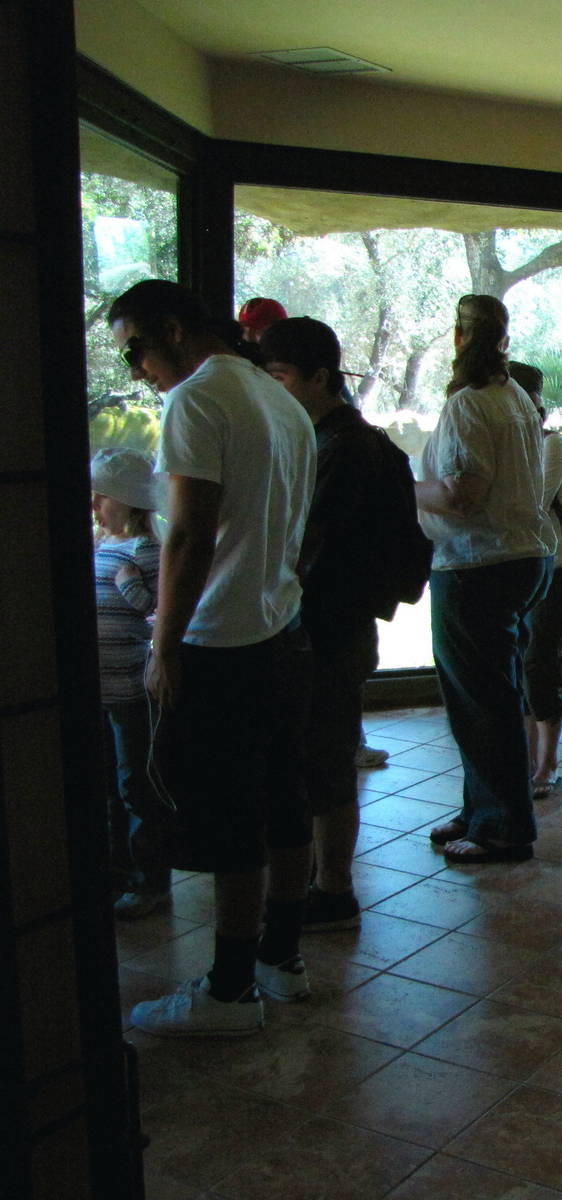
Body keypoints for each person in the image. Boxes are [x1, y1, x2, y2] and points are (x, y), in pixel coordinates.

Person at [109, 280, 316, 1038]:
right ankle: (281, 961)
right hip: (281, 628)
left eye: (136, 348)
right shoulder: (278, 398)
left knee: (233, 823)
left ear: (170, 329)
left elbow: (188, 534)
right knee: (286, 804)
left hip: (222, 641)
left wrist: (164, 642)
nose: (138, 368)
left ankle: (229, 993)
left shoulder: (195, 399)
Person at [258, 317, 392, 931]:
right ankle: (324, 884)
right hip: (332, 628)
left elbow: (319, 551)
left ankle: (334, 888)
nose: (273, 389)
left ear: (319, 377)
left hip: (328, 631)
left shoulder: (342, 447)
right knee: (321, 758)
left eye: (280, 376)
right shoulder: (331, 439)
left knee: (326, 760)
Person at [417, 295, 552, 864]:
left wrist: (400, 491)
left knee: (481, 702)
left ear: (457, 338)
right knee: (493, 695)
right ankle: (480, 810)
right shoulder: (515, 395)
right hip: (524, 558)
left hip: (478, 564)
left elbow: (463, 493)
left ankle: (503, 828)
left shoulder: (469, 405)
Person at [91, 447, 169, 920]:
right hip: (98, 691)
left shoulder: (146, 551)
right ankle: (118, 872)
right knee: (107, 787)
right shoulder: (100, 545)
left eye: (103, 496)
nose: (95, 504)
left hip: (131, 694)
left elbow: (162, 613)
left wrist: (129, 586)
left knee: (137, 786)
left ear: (130, 501)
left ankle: (151, 881)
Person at [508, 362, 562, 799]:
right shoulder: (512, 446)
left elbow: (532, 500)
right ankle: (529, 761)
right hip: (516, 566)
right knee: (518, 662)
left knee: (540, 661)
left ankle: (548, 764)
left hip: (555, 569)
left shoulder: (553, 446)